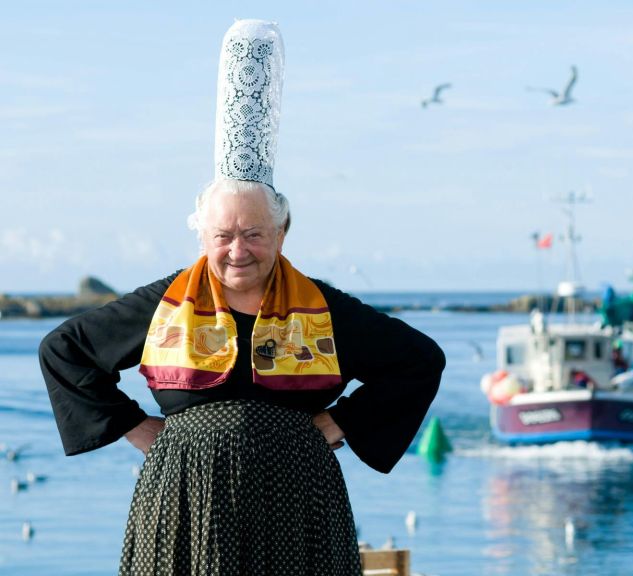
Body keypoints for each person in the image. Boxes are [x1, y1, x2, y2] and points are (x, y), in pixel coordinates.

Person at [38, 19, 445, 576]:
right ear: (202, 236)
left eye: (254, 234)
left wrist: (340, 422)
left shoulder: (323, 308)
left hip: (299, 499)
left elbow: (419, 361)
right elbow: (64, 351)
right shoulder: (165, 302)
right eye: (222, 236)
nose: (238, 250)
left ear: (281, 234)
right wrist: (138, 428)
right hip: (186, 496)